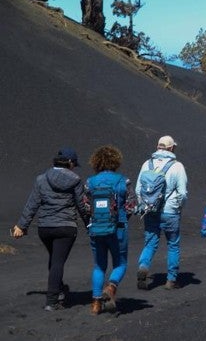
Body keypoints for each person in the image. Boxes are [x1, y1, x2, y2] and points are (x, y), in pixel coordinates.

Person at [12, 148, 90, 311]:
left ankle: (59, 290)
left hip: (45, 228)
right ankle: (52, 300)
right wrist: (89, 224)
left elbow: (32, 204)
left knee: (55, 260)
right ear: (70, 163)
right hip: (66, 227)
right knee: (57, 262)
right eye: (74, 164)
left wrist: (22, 225)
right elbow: (82, 206)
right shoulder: (76, 180)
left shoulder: (41, 179)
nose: (74, 167)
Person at [85, 145, 136, 315]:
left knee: (99, 265)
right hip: (118, 229)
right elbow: (131, 205)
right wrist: (121, 219)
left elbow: (86, 206)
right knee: (120, 263)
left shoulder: (90, 182)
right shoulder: (123, 181)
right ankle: (111, 287)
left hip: (96, 229)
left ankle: (96, 304)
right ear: (115, 161)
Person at [136, 135, 188, 290]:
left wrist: (144, 205)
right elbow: (183, 193)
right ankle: (171, 280)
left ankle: (143, 266)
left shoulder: (147, 164)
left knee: (150, 242)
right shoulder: (177, 166)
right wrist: (179, 207)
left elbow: (139, 189)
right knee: (173, 244)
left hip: (150, 211)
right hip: (170, 212)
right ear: (172, 148)